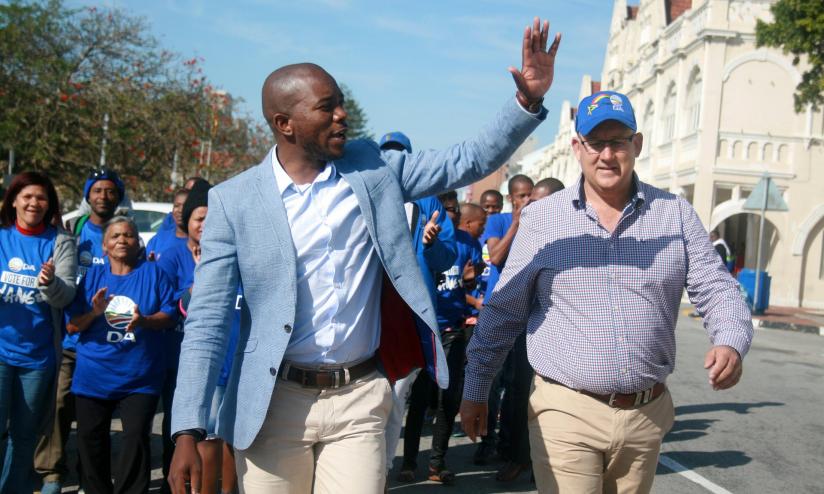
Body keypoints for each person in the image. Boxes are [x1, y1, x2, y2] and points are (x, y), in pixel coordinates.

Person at [169, 17, 561, 494]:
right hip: (273, 403)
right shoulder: (235, 201)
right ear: (284, 124)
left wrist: (526, 102)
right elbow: (207, 321)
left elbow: (468, 160)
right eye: (326, 107)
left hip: (359, 398)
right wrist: (186, 428)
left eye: (340, 103)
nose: (342, 115)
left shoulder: (374, 168)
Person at [461, 90, 754, 494]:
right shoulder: (544, 219)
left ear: (637, 144)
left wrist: (730, 339)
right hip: (566, 410)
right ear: (577, 148)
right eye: (595, 143)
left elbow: (716, 287)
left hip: (645, 416)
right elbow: (504, 311)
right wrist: (476, 388)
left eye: (617, 142)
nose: (607, 155)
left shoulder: (675, 215)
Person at [67, 216, 177, 494]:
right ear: (104, 246)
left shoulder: (154, 274)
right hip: (94, 375)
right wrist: (95, 312)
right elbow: (72, 326)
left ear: (138, 243)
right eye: (115, 236)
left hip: (140, 376)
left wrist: (144, 321)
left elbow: (170, 316)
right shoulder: (92, 278)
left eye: (128, 235)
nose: (122, 240)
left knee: (135, 439)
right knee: (90, 440)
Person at [36, 167, 128, 494]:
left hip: (105, 343)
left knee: (94, 417)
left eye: (110, 190)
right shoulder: (72, 231)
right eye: (97, 190)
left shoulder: (125, 232)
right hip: (71, 335)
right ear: (88, 194)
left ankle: (89, 478)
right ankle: (51, 474)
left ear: (118, 196)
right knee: (59, 407)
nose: (103, 196)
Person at [376, 133, 457, 484]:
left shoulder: (430, 203)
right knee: (368, 395)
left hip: (410, 315)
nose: (393, 161)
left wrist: (432, 242)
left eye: (400, 155)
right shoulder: (366, 196)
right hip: (371, 311)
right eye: (387, 155)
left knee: (396, 395)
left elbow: (447, 258)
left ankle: (381, 471)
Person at [0, 171, 77, 493]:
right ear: (13, 201)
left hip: (37, 358)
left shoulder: (61, 242)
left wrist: (50, 283)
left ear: (50, 204)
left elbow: (66, 295)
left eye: (41, 198)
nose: (34, 203)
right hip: (1, 353)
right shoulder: (2, 237)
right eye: (27, 196)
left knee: (25, 435)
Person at [472, 173, 533, 472]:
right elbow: (495, 257)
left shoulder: (541, 221)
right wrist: (516, 224)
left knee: (519, 385)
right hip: (497, 311)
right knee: (492, 383)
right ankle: (487, 442)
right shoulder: (498, 221)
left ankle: (511, 448)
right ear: (511, 198)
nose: (526, 201)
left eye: (530, 195)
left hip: (527, 314)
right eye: (521, 196)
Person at [146, 187, 191, 262]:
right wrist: (151, 265)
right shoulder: (158, 239)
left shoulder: (198, 242)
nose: (180, 210)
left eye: (185, 206)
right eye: (176, 206)